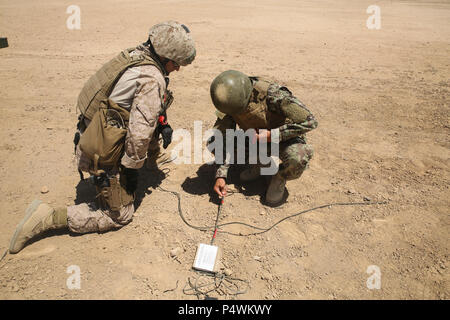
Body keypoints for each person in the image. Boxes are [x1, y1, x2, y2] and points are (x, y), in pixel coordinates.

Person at [9, 21, 196, 254]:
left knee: (151, 120)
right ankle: (47, 217)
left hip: (90, 132)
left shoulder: (135, 55)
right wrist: (130, 169)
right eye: (175, 64)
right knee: (120, 216)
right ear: (167, 56)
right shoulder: (151, 79)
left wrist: (163, 124)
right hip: (98, 150)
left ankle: (150, 160)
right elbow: (139, 133)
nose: (177, 69)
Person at [207, 70, 318, 206]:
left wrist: (273, 135)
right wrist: (221, 174)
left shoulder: (273, 94)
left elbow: (310, 121)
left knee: (299, 157)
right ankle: (259, 163)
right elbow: (223, 137)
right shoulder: (230, 101)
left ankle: (279, 176)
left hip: (283, 139)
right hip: (255, 139)